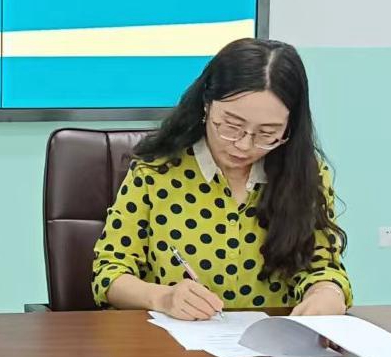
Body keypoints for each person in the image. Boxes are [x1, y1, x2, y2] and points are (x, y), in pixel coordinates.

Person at [93, 38, 351, 318]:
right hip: (174, 341)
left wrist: (328, 293)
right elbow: (109, 273)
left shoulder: (306, 175)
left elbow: (322, 268)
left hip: (274, 340)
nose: (244, 145)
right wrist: (163, 298)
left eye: (267, 133)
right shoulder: (155, 171)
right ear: (206, 105)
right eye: (231, 125)